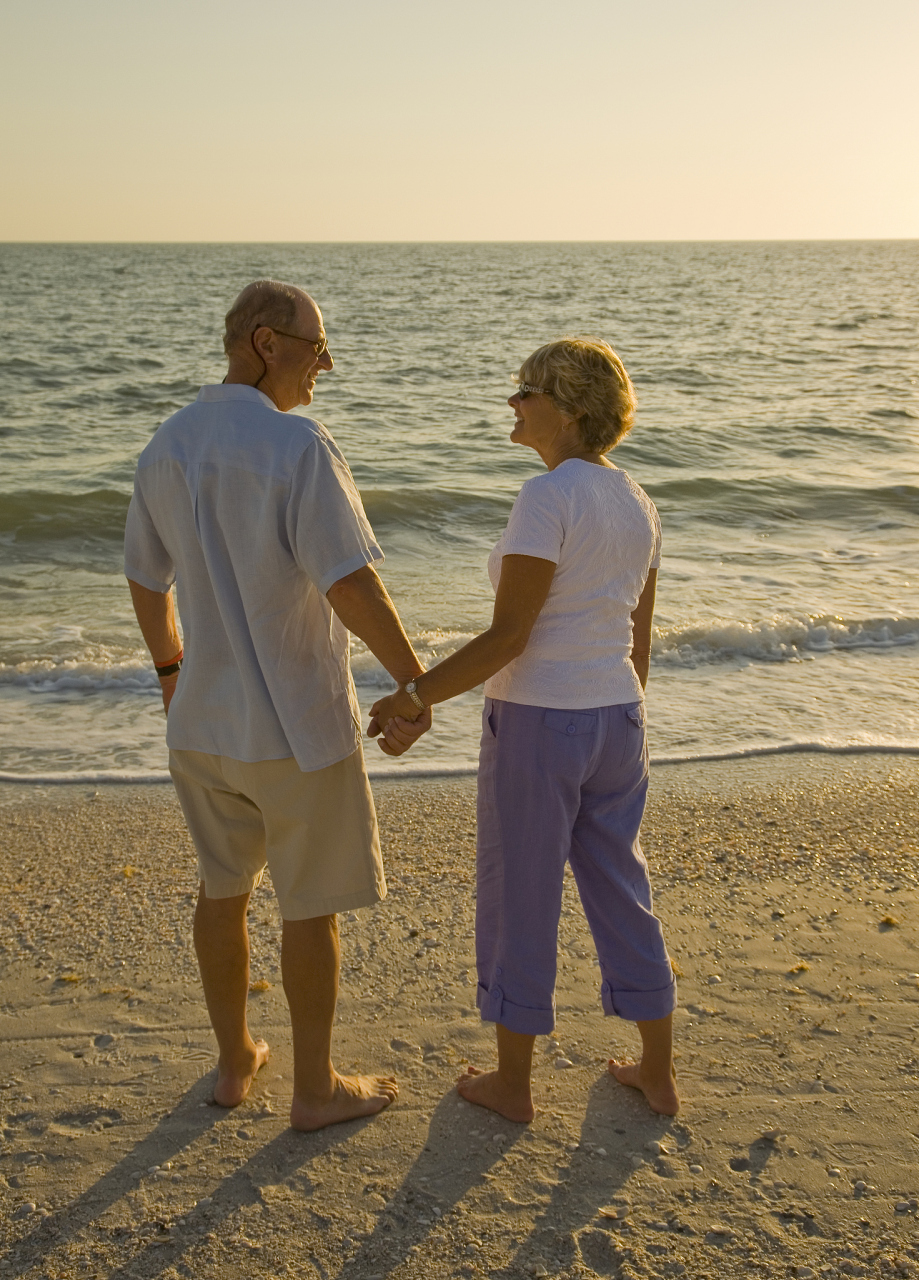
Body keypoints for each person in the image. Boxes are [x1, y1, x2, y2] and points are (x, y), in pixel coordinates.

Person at [125, 279, 429, 1131]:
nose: (324, 363)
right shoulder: (298, 445)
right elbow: (350, 582)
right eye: (316, 346)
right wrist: (411, 681)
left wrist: (170, 672)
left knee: (221, 891)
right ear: (266, 342)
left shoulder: (166, 443)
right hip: (295, 724)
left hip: (203, 725)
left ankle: (233, 1064)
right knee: (308, 905)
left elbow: (145, 579)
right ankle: (315, 1087)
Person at [370, 337, 678, 1122]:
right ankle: (656, 1070)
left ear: (570, 409)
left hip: (542, 721)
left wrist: (412, 695)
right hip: (618, 717)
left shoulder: (548, 498)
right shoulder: (636, 500)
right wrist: (608, 710)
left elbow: (510, 637)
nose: (513, 402)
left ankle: (511, 1086)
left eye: (527, 391)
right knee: (621, 886)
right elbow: (636, 646)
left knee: (520, 894)